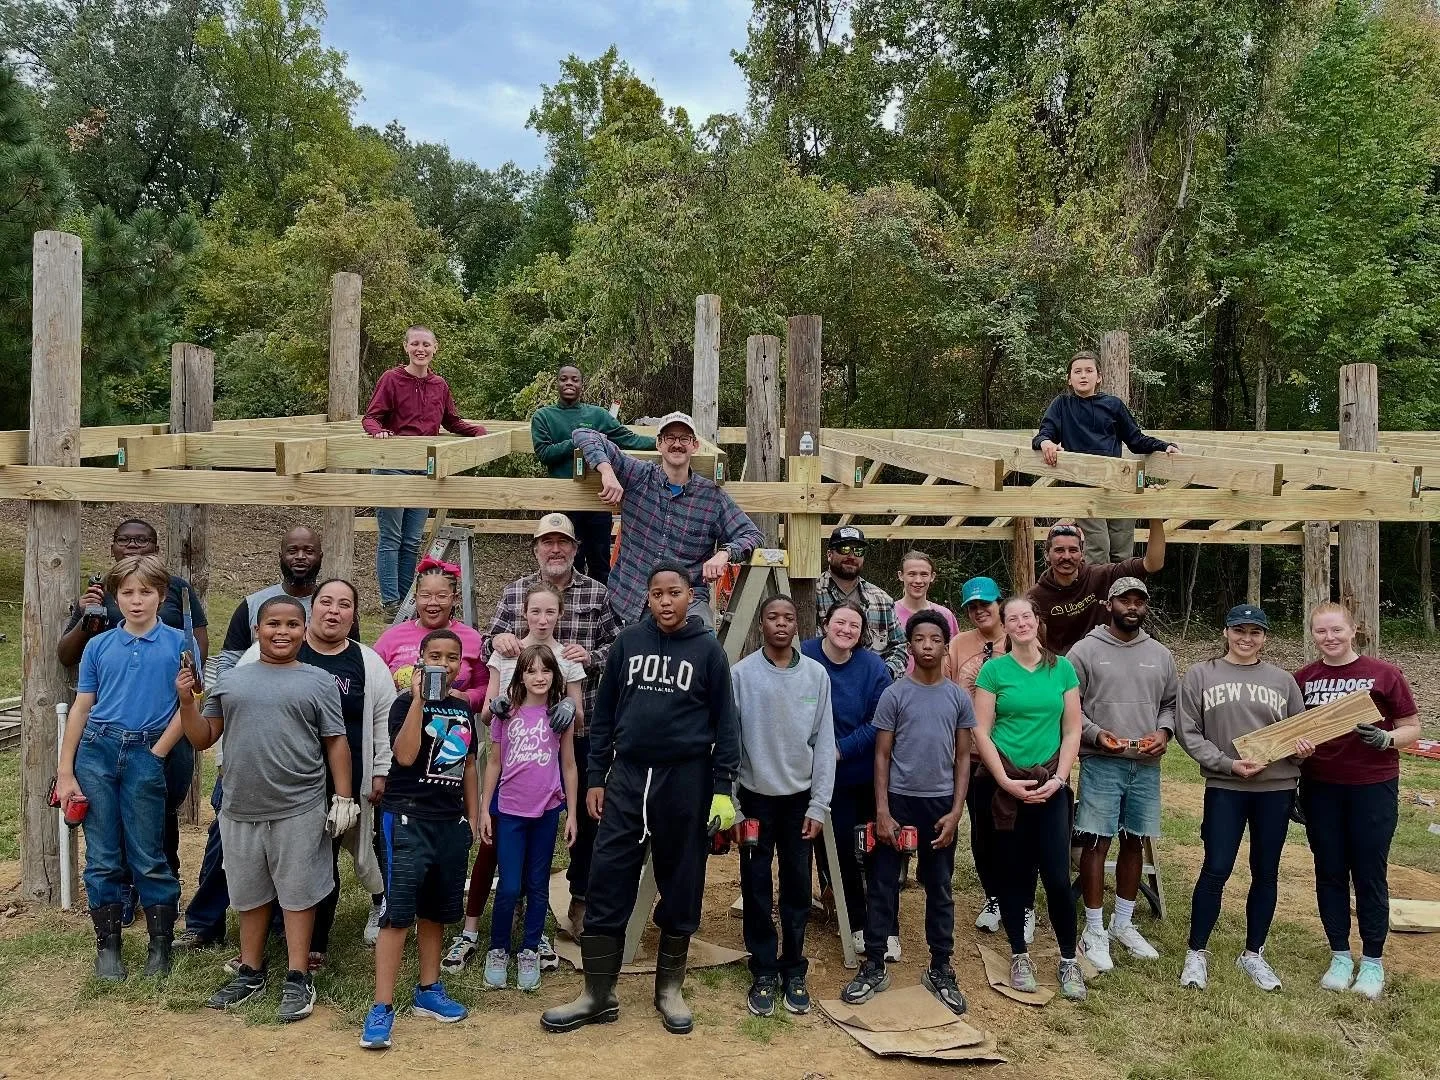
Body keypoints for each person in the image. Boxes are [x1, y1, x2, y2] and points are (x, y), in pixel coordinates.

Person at [541, 561, 740, 1036]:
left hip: (685, 780)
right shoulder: (629, 643)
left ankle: (668, 989)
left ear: (691, 596)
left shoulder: (708, 651)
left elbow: (727, 724)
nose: (666, 601)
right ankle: (597, 993)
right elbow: (604, 713)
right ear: (647, 599)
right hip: (627, 778)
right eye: (657, 594)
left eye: (675, 592)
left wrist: (722, 789)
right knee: (608, 874)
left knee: (683, 879)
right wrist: (595, 777)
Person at [183, 524, 356, 950]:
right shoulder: (251, 609)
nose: (301, 555)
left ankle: (291, 945)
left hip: (297, 788)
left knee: (297, 868)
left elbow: (335, 735)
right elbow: (221, 681)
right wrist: (198, 702)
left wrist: (345, 795)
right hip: (243, 776)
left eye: (309, 549)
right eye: (293, 549)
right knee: (229, 855)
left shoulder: (318, 668)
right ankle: (207, 926)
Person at [186, 595, 358, 1023]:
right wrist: (186, 702)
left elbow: (335, 741)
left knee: (298, 892)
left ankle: (298, 974)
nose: (282, 632)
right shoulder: (232, 681)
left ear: (305, 630)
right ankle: (251, 968)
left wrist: (343, 797)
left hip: (299, 805)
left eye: (292, 625)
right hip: (241, 807)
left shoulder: (319, 682)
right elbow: (203, 737)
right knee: (249, 892)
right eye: (273, 624)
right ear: (257, 630)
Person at [232, 579, 396, 965]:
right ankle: (272, 939)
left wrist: (380, 771)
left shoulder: (367, 662)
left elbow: (383, 719)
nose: (333, 611)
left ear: (354, 615)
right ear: (311, 609)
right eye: (326, 602)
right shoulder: (272, 649)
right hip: (277, 780)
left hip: (340, 782)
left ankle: (314, 944)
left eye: (344, 604)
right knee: (268, 861)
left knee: (322, 862)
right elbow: (233, 708)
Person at [56, 517, 208, 922]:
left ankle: (160, 896)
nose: (136, 599)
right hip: (104, 739)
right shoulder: (99, 622)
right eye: (127, 593)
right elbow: (76, 679)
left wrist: (157, 749)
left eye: (145, 592)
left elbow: (194, 676)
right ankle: (118, 897)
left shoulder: (181, 607)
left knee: (156, 815)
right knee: (106, 830)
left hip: (159, 733)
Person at [483, 512, 620, 943]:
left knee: (585, 817)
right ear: (537, 548)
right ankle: (520, 899)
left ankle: (580, 900)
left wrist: (590, 657)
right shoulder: (516, 593)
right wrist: (499, 642)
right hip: (520, 733)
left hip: (580, 728)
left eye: (563, 542)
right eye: (547, 542)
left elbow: (617, 646)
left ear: (575, 549)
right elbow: (492, 644)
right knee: (520, 809)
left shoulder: (597, 593)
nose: (555, 549)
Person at [445, 581, 584, 971]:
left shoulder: (568, 657)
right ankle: (475, 932)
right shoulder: (506, 652)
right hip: (508, 783)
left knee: (536, 875)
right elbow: (490, 716)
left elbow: (576, 727)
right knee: (494, 859)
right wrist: (498, 705)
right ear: (523, 613)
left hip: (546, 788)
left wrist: (570, 711)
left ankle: (532, 940)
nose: (542, 619)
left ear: (561, 615)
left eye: (550, 612)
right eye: (535, 611)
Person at [841, 611, 973, 1015]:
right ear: (910, 645)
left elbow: (964, 757)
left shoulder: (957, 697)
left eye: (936, 639)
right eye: (920, 639)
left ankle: (940, 966)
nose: (928, 646)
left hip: (939, 806)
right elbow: (881, 755)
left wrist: (955, 812)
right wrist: (881, 810)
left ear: (945, 644)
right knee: (882, 884)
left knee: (940, 887)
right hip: (897, 802)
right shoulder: (894, 694)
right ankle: (875, 963)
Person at [1175, 604, 1308, 992]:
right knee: (1216, 867)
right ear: (1226, 632)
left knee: (1265, 871)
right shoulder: (1201, 675)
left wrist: (1301, 749)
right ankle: (1196, 953)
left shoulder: (1283, 681)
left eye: (1255, 632)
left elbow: (1297, 733)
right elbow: (1188, 732)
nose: (1246, 638)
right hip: (1226, 786)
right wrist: (1226, 764)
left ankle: (1254, 954)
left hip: (1275, 788)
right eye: (1239, 630)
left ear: (1265, 637)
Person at [1295, 602, 1421, 1000]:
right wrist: (1296, 756)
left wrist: (1387, 739)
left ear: (1354, 630)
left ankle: (1372, 962)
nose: (1329, 638)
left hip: (1372, 786)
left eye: (1336, 630)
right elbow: (1291, 734)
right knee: (1329, 869)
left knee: (1369, 871)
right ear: (1312, 635)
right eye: (1321, 632)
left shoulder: (1384, 674)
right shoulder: (1303, 679)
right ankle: (1339, 955)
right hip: (1321, 788)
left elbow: (1412, 727)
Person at [361, 628, 479, 1049]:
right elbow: (406, 755)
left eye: (452, 658)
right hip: (407, 818)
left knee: (436, 911)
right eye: (435, 656)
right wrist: (417, 702)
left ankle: (429, 989)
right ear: (421, 659)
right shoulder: (402, 705)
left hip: (449, 824)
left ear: (460, 665)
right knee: (399, 913)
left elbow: (467, 765)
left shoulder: (463, 711)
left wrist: (474, 815)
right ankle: (381, 1006)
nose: (443, 665)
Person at [971, 596, 1087, 1001]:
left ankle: (1069, 958)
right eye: (1012, 618)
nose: (1020, 623)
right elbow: (980, 731)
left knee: (1056, 876)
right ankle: (1019, 954)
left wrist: (1059, 778)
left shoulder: (1062, 669)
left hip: (1051, 786)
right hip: (1007, 787)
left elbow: (1072, 730)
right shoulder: (993, 671)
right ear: (1004, 626)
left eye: (1027, 616)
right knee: (1014, 875)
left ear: (1038, 621)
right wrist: (1003, 780)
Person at [732, 595, 835, 1018]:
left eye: (788, 618)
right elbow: (730, 743)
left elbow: (825, 744)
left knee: (797, 886)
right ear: (761, 625)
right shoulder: (741, 675)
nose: (780, 624)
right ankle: (763, 968)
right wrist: (735, 809)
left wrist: (819, 805)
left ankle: (793, 966)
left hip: (799, 801)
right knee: (756, 886)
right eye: (772, 617)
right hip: (755, 797)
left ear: (798, 625)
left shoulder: (815, 675)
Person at [1068, 577, 1177, 971]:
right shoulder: (1086, 651)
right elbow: (1070, 707)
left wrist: (1164, 733)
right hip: (1102, 762)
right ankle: (1094, 929)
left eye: (1139, 602)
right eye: (1125, 601)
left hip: (1145, 764)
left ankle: (1123, 923)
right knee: (1097, 842)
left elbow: (1170, 704)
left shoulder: (1160, 654)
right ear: (1110, 604)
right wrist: (1096, 734)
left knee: (1135, 840)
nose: (1132, 607)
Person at [573, 411, 763, 627]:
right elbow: (583, 433)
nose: (677, 444)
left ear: (695, 445)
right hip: (630, 597)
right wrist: (606, 472)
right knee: (623, 655)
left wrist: (725, 553)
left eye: (684, 439)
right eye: (670, 438)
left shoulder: (712, 498)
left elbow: (752, 535)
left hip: (687, 604)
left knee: (702, 645)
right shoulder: (637, 476)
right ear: (659, 444)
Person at [362, 325, 488, 616]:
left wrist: (477, 432)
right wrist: (378, 433)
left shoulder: (439, 385)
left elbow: (452, 421)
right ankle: (390, 602)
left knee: (412, 539)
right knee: (391, 537)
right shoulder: (391, 379)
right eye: (415, 344)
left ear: (435, 348)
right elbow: (371, 417)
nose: (421, 349)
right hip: (393, 467)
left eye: (426, 345)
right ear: (406, 347)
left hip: (424, 470)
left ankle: (409, 601)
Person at [801, 600, 897, 964]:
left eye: (854, 626)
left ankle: (886, 926)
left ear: (862, 633)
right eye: (840, 622)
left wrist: (839, 750)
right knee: (839, 850)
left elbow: (880, 721)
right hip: (823, 779)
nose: (846, 630)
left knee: (877, 850)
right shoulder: (806, 656)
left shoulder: (872, 667)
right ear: (826, 624)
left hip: (863, 772)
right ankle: (855, 920)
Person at [480, 644, 579, 993]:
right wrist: (484, 809)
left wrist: (572, 813)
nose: (539, 677)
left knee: (538, 885)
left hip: (547, 811)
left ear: (555, 676)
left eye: (546, 671)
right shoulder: (506, 714)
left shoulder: (558, 716)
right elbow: (494, 762)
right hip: (509, 810)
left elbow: (568, 764)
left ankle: (529, 949)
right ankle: (498, 948)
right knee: (508, 886)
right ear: (520, 675)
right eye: (532, 670)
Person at [1032, 350, 1180, 565]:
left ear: (1098, 377)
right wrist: (1046, 443)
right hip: (1083, 485)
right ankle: (1097, 598)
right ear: (1069, 378)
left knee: (1122, 550)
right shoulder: (1062, 405)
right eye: (1078, 371)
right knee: (1099, 547)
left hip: (1117, 483)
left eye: (1089, 371)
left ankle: (1121, 597)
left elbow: (1135, 439)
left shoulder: (1113, 405)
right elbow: (1044, 433)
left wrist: (1164, 446)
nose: (1083, 376)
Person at [530, 365, 656, 585]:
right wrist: (581, 439)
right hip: (565, 500)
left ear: (581, 384)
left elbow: (629, 439)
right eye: (564, 379)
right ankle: (567, 611)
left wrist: (663, 442)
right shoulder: (544, 417)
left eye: (575, 380)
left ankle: (601, 612)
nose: (569, 383)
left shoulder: (597, 415)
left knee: (600, 560)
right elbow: (544, 454)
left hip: (597, 500)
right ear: (557, 383)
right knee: (570, 561)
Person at [945, 576, 1018, 938]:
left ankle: (1020, 899)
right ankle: (993, 897)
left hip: (1013, 753)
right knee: (983, 830)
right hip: (971, 755)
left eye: (985, 604)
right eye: (972, 606)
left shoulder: (1017, 638)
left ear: (999, 603)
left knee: (1017, 831)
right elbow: (946, 689)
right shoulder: (958, 644)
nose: (979, 611)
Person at [1027, 519, 1167, 655]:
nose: (1067, 556)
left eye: (1073, 550)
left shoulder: (1101, 575)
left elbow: (1153, 564)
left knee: (1118, 539)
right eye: (1059, 550)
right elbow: (1022, 634)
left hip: (1104, 664)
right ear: (1046, 555)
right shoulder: (1037, 596)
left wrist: (1156, 518)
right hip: (1065, 670)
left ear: (1082, 554)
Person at [816, 526, 908, 679]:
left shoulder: (882, 599)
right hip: (821, 686)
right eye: (844, 549)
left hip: (870, 693)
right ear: (829, 554)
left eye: (858, 551)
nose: (851, 555)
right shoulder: (811, 594)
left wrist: (884, 674)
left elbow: (900, 646)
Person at [894, 550, 960, 640]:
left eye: (924, 574)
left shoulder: (945, 615)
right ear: (901, 575)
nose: (918, 580)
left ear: (932, 576)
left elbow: (953, 651)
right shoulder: (888, 613)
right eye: (911, 574)